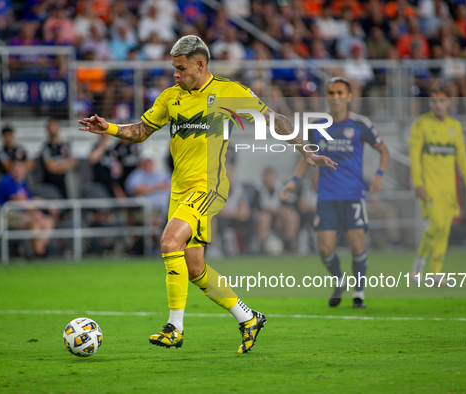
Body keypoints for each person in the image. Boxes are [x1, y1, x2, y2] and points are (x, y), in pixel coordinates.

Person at [79, 35, 336, 353]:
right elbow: (143, 131)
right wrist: (111, 129)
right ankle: (248, 318)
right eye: (173, 68)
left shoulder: (230, 92)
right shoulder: (170, 97)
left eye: (180, 68)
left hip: (209, 186)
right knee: (195, 267)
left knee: (169, 242)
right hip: (180, 189)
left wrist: (305, 149)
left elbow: (274, 119)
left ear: (200, 64)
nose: (175, 74)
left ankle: (174, 327)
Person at [281, 77, 389, 308]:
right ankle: (340, 280)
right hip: (327, 196)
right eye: (331, 93)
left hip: (353, 195)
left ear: (349, 96)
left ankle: (358, 292)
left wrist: (379, 174)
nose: (335, 97)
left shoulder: (361, 124)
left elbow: (384, 150)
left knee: (357, 245)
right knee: (324, 249)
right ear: (326, 96)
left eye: (340, 93)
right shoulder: (317, 126)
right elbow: (307, 156)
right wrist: (293, 181)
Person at [409, 90, 466, 284]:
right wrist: (418, 182)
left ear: (449, 103)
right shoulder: (421, 124)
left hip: (449, 188)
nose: (438, 105)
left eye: (442, 101)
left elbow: (462, 157)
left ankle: (435, 274)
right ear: (430, 104)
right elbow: (414, 157)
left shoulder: (455, 126)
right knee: (437, 225)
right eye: (434, 101)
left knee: (445, 230)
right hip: (430, 186)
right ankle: (419, 262)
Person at [0, 157, 54, 257]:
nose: (19, 170)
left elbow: (30, 199)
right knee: (36, 219)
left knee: (48, 222)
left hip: (19, 214)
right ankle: (37, 253)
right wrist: (36, 211)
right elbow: (19, 201)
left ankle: (41, 249)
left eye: (21, 168)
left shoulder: (21, 183)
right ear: (11, 169)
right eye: (16, 168)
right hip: (4, 215)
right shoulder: (7, 181)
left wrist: (48, 205)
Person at [40, 118, 78, 199]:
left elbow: (73, 162)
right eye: (51, 126)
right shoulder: (45, 147)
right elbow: (50, 167)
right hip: (51, 183)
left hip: (65, 181)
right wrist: (65, 164)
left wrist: (56, 165)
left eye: (55, 126)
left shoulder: (65, 146)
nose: (53, 128)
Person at [88, 134, 124, 198]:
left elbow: (119, 169)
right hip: (99, 183)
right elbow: (93, 159)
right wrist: (103, 145)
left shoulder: (113, 149)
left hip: (112, 183)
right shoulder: (96, 146)